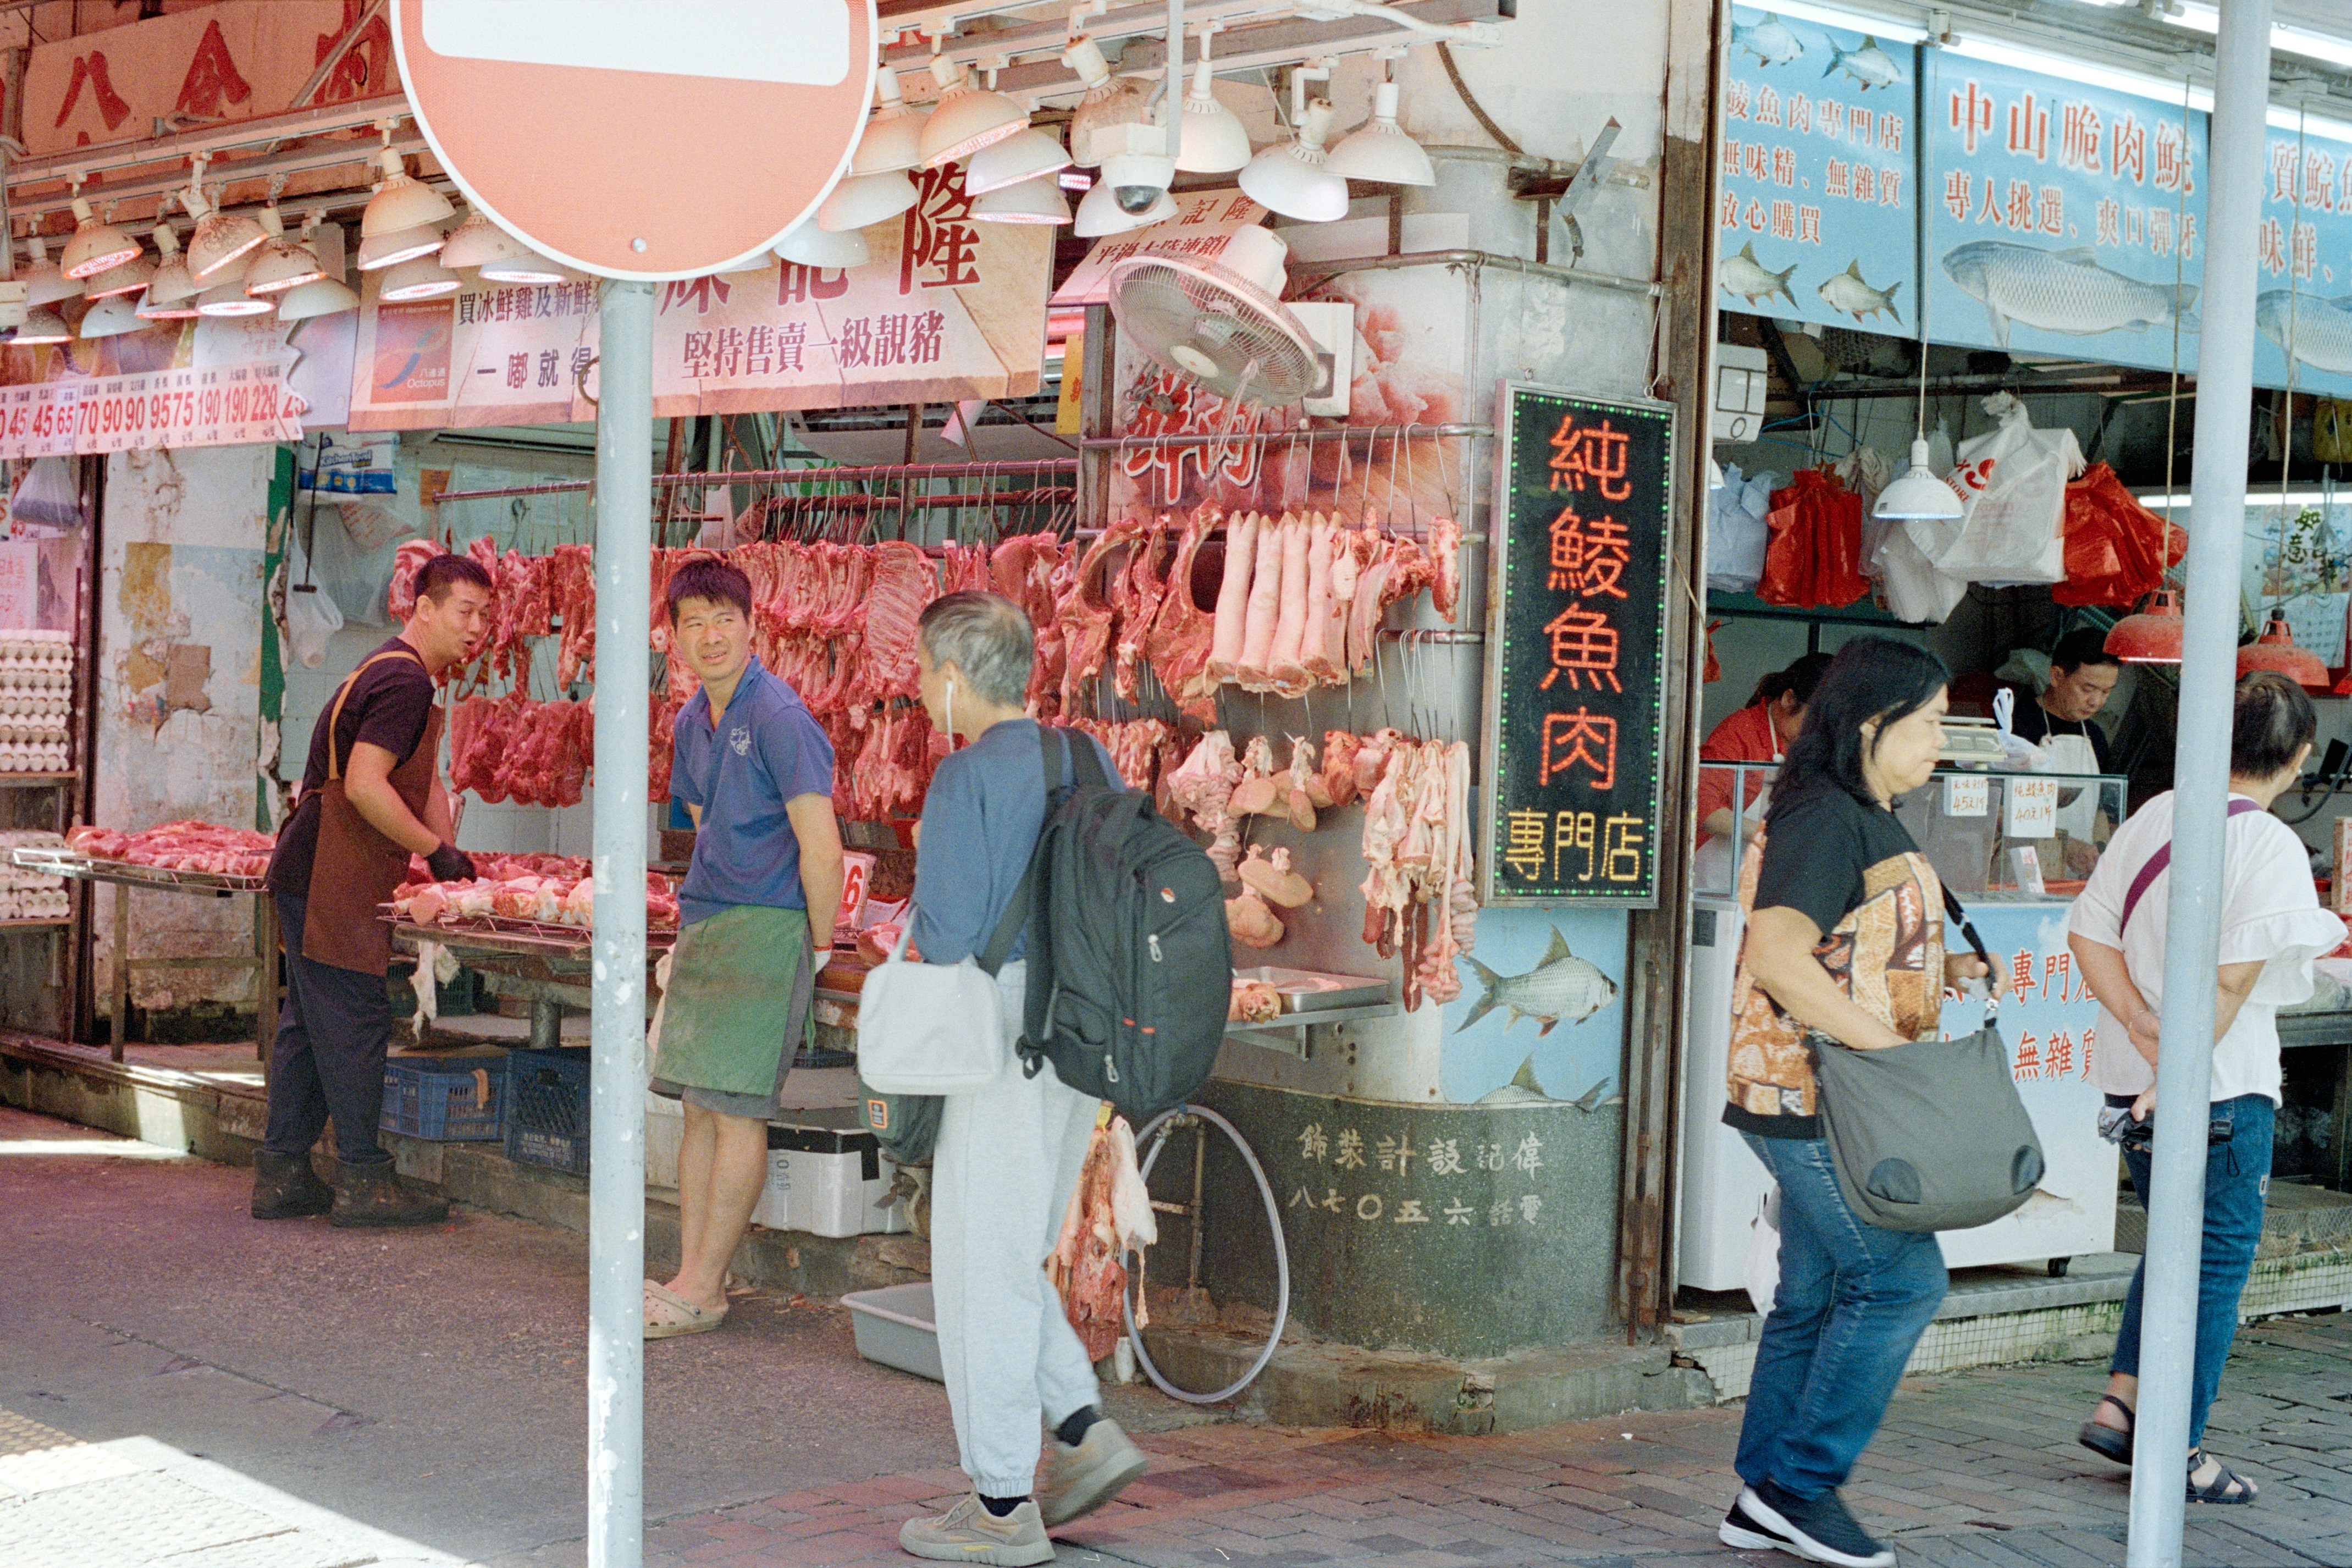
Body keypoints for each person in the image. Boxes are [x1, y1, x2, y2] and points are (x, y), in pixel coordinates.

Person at [1716, 637, 2000, 1568]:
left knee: (1814, 1291)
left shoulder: (1855, 810)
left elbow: (1844, 940)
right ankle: (1799, 1488)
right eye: (1924, 724)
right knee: (1898, 1280)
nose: (1937, 744)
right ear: (1871, 724)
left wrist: (1937, 964)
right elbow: (1778, 954)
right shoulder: (1823, 817)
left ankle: (1763, 1491)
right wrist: (1885, 1051)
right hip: (1818, 1099)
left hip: (1820, 1095)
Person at [894, 592, 1147, 1567]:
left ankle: (1001, 1503)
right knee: (1016, 1248)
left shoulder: (963, 779)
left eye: (923, 673)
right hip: (1081, 1033)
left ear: (955, 679)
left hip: (998, 1035)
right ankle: (1083, 1430)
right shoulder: (1088, 758)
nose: (920, 690)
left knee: (977, 1265)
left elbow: (951, 937)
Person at [2067, 671, 2341, 1504]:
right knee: (2214, 1265)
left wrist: (2140, 1032)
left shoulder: (2155, 815)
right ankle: (2174, 1448)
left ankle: (2122, 1401)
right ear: (2295, 758)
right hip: (2215, 1088)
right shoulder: (2267, 845)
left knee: (2175, 1249)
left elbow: (2087, 934)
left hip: (2135, 1088)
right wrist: (2174, 1066)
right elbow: (2225, 990)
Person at [254, 551, 493, 1227]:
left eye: (485, 615)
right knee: (354, 1019)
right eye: (464, 611)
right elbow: (364, 783)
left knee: (308, 1026)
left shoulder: (392, 669)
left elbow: (427, 782)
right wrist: (432, 851)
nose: (477, 627)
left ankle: (281, 1173)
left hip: (317, 867)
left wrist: (451, 856)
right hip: (331, 871)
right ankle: (363, 1179)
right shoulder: (405, 682)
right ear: (423, 608)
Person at [643, 557, 843, 1339]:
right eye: (693, 622)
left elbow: (819, 848)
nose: (710, 635)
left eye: (724, 618)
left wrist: (817, 943)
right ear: (675, 638)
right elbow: (702, 815)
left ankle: (705, 1286)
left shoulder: (781, 716)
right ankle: (693, 1273)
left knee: (734, 1113)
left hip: (765, 925)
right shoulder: (694, 720)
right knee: (697, 1108)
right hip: (708, 921)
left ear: (753, 626)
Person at [1695, 652, 1832, 886]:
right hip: (1717, 883)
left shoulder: (1815, 747)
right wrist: (1774, 836)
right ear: (1789, 699)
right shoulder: (1740, 730)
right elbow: (1701, 808)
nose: (1820, 731)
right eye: (1815, 720)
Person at [2009, 627, 2121, 774]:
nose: (2096, 702)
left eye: (2106, 692)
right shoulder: (2016, 724)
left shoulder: (2096, 736)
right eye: (2087, 689)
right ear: (2057, 677)